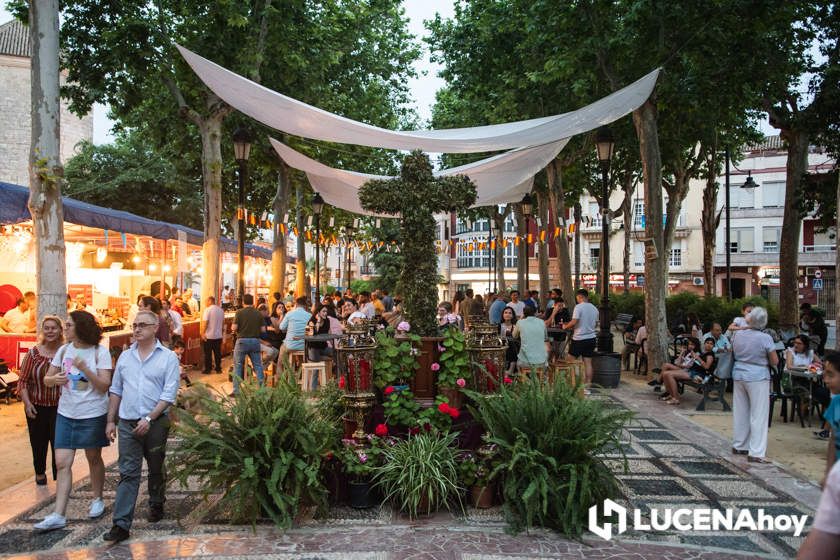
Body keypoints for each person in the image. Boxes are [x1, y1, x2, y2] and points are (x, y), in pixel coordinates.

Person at [103, 309, 180, 543]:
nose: (136, 329)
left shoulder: (167, 357)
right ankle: (121, 524)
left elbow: (169, 393)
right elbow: (116, 389)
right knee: (128, 472)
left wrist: (149, 418)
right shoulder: (126, 357)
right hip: (127, 422)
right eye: (135, 324)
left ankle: (156, 502)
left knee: (156, 465)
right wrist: (110, 419)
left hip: (156, 422)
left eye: (142, 325)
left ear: (155, 328)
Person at [35, 310, 112, 531]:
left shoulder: (100, 352)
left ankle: (97, 498)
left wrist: (85, 368)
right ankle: (59, 514)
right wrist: (54, 379)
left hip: (92, 413)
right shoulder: (63, 350)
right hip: (66, 413)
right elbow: (48, 379)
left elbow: (104, 386)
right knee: (62, 463)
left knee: (93, 457)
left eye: (68, 325)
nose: (64, 328)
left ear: (81, 327)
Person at [797, 353, 840, 559]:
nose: (826, 379)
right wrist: (829, 472)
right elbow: (833, 439)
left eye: (831, 375)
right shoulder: (836, 404)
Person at [18, 315, 64, 485]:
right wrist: (27, 403)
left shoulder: (66, 352)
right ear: (42, 331)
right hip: (36, 406)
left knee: (59, 443)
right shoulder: (33, 354)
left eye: (54, 328)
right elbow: (22, 380)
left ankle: (61, 476)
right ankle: (40, 473)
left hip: (61, 408)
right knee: (38, 442)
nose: (50, 331)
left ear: (60, 330)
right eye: (47, 328)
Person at [731, 306, 778, 463]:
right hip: (757, 376)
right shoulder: (765, 338)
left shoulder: (738, 334)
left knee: (741, 411)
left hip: (738, 373)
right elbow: (774, 361)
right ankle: (756, 452)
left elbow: (733, 351)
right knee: (758, 414)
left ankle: (739, 444)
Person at [561, 289, 598, 392]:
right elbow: (595, 324)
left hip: (579, 339)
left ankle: (571, 384)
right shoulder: (594, 308)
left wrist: (565, 326)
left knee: (569, 361)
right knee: (588, 363)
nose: (577, 300)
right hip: (591, 338)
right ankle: (587, 387)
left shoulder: (579, 307)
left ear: (580, 297)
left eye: (577, 298)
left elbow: (574, 321)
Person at [659, 337, 714, 406]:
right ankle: (672, 395)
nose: (709, 345)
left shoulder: (710, 355)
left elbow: (707, 367)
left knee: (669, 374)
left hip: (697, 374)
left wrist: (697, 358)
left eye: (711, 344)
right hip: (691, 371)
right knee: (665, 373)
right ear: (704, 344)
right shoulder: (703, 353)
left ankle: (675, 399)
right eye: (707, 343)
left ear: (713, 346)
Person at [231, 294, 265, 394]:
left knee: (238, 365)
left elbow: (234, 328)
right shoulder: (258, 313)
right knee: (258, 365)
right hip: (255, 341)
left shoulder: (239, 312)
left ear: (243, 302)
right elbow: (263, 330)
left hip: (242, 341)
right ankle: (261, 389)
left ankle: (236, 391)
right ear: (253, 302)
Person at [278, 296, 312, 369]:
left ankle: (280, 377)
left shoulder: (290, 314)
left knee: (282, 352)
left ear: (296, 304)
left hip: (290, 345)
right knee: (300, 356)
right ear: (305, 306)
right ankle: (301, 374)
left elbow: (281, 327)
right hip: (304, 345)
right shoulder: (309, 315)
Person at [513, 305, 548, 371]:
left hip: (524, 361)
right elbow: (545, 338)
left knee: (519, 363)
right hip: (541, 361)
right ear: (536, 312)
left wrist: (520, 318)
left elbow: (514, 336)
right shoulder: (542, 322)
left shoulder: (520, 322)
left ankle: (524, 380)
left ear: (523, 313)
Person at [200, 296, 224, 375]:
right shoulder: (221, 310)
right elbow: (223, 324)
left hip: (209, 336)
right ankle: (218, 368)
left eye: (206, 301)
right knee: (217, 353)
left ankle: (208, 369)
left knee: (208, 354)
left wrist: (202, 333)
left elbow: (205, 323)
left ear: (210, 301)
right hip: (218, 335)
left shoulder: (207, 310)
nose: (205, 303)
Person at [499, 306, 519, 374]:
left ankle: (511, 369)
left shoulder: (515, 327)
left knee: (512, 343)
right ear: (503, 315)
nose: (507, 314)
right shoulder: (499, 326)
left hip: (512, 349)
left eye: (510, 313)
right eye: (505, 313)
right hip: (501, 348)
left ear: (513, 316)